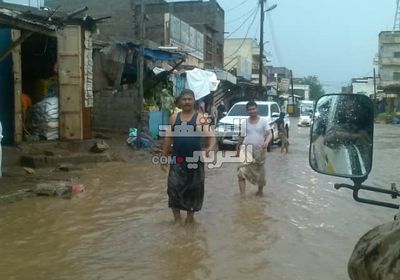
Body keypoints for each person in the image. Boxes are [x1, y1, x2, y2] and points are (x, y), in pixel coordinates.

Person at [161, 89, 216, 225]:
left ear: (194, 101)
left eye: (189, 99)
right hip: (177, 161)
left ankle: (189, 220)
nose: (186, 102)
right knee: (173, 189)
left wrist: (209, 148)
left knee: (194, 191)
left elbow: (211, 136)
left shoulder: (200, 118)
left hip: (195, 161)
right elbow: (168, 138)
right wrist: (163, 157)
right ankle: (177, 220)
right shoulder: (174, 117)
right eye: (184, 99)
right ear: (180, 102)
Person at [236, 101, 272, 198]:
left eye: (253, 109)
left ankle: (260, 192)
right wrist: (237, 148)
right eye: (250, 109)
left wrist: (266, 142)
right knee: (240, 172)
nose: (252, 111)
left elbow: (269, 133)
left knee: (260, 173)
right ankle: (242, 196)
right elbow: (242, 136)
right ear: (247, 111)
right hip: (246, 150)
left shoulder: (263, 121)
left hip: (260, 151)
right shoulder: (244, 123)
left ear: (257, 109)